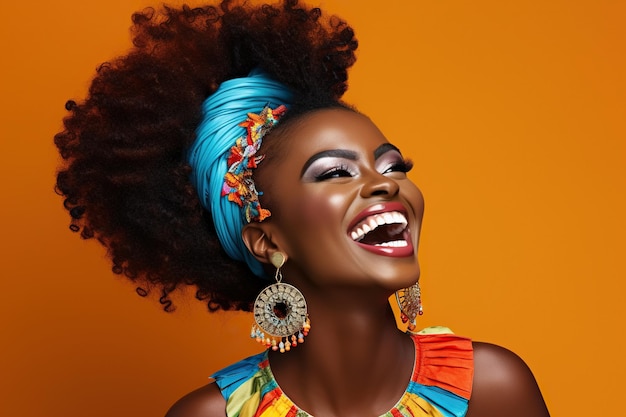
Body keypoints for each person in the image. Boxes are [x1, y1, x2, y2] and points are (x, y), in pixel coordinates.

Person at [54, 1, 550, 416]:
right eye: (335, 172)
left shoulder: (493, 389)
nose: (385, 184)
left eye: (394, 166)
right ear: (268, 240)